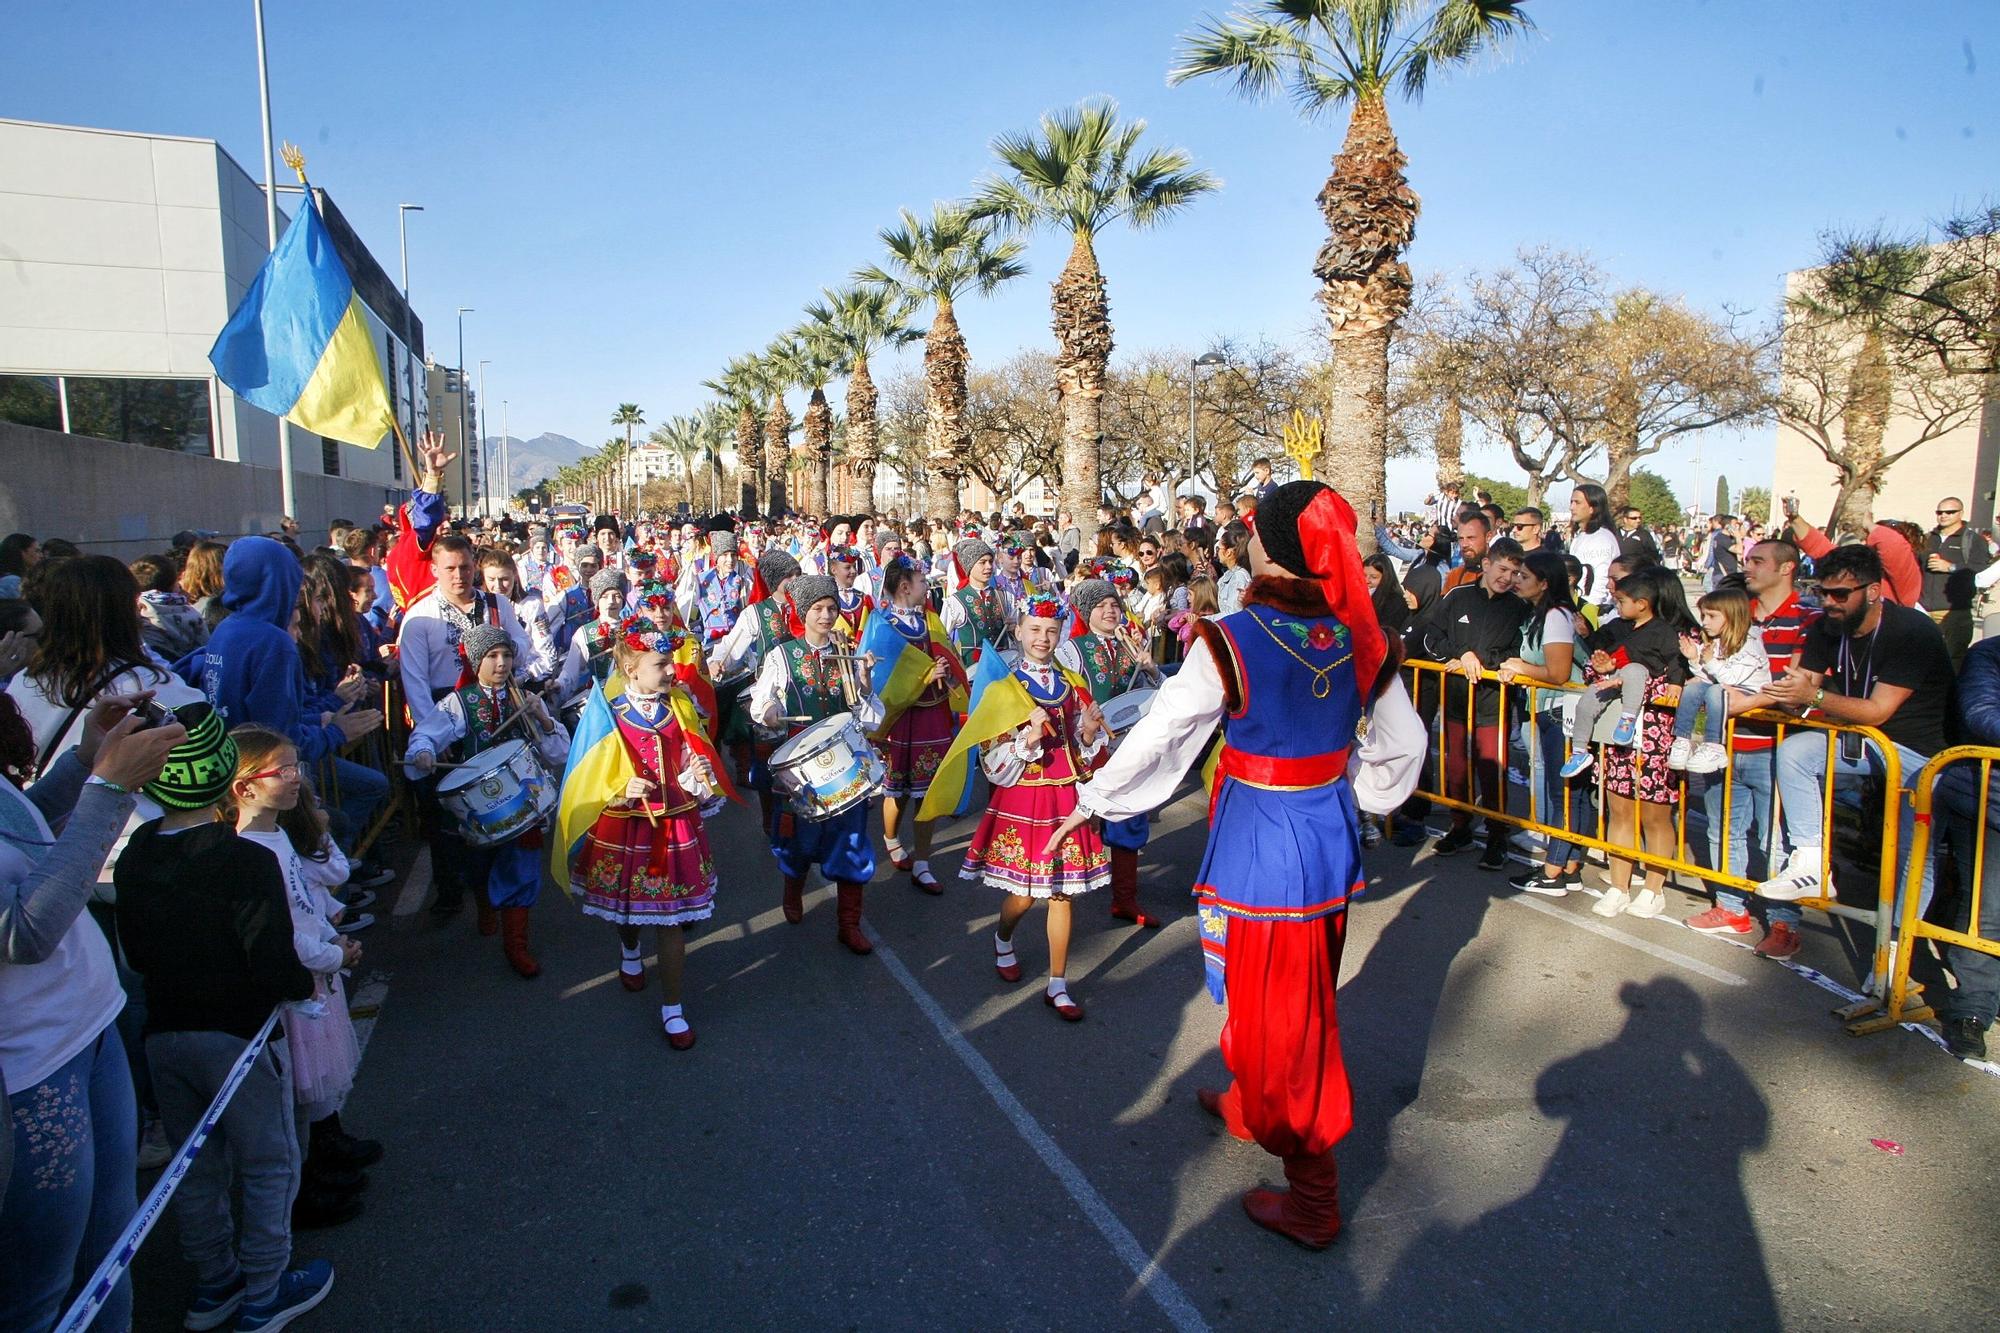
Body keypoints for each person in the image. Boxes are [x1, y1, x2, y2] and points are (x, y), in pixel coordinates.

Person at [1050, 480, 1423, 1248]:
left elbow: (1163, 731)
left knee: (1291, 1020)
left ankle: (1315, 1196)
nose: (1244, 538)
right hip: (1323, 837)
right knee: (1285, 992)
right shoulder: (1359, 634)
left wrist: (1092, 799)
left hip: (1263, 840)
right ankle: (1254, 1102)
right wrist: (1347, 789)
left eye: (1252, 529)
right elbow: (1406, 745)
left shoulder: (1232, 634)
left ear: (1273, 545)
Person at [115, 717, 340, 1332]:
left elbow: (133, 955)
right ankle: (267, 1290)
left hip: (164, 1035)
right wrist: (307, 984)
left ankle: (215, 1284)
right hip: (240, 1038)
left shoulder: (136, 856)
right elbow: (275, 963)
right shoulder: (242, 860)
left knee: (194, 1168)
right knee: (271, 1162)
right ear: (223, 779)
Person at [0, 697, 182, 1333]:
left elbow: (25, 833)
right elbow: (24, 930)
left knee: (111, 1252)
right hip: (30, 1076)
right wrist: (108, 788)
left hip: (90, 1030)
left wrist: (83, 762)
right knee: (40, 1295)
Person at [927, 595, 1110, 1019]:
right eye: (1035, 629)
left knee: (1063, 894)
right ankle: (1003, 937)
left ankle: (1058, 984)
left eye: (1051, 630)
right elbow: (991, 761)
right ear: (1018, 632)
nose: (1043, 638)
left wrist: (1085, 733)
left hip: (1067, 797)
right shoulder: (1003, 687)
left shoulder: (1070, 683)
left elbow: (1082, 750)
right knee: (1025, 896)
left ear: (1061, 633)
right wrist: (1025, 742)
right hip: (1024, 799)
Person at [1753, 545, 1957, 917]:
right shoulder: (1826, 628)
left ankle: (1895, 951)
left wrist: (1812, 695)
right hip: (1863, 740)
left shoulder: (1912, 631)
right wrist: (1778, 692)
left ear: (1874, 591)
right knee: (1795, 752)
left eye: (1840, 594)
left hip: (1922, 753)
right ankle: (1811, 861)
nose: (1829, 602)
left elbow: (1878, 711)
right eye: (1821, 591)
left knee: (1914, 855)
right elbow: (1801, 696)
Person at [566, 615, 727, 1048]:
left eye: (671, 662)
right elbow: (584, 775)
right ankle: (630, 951)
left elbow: (696, 757)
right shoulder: (605, 715)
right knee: (628, 910)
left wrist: (697, 771)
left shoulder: (680, 706)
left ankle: (673, 1008)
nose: (672, 671)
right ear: (632, 669)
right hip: (628, 829)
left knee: (671, 921)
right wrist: (619, 788)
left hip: (674, 823)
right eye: (661, 664)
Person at [406, 625, 570, 976]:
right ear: (476, 660)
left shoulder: (525, 698)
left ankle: (516, 946)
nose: (501, 663)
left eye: (507, 655)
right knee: (479, 867)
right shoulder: (460, 702)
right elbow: (426, 733)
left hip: (523, 803)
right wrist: (422, 752)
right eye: (493, 656)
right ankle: (484, 905)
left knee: (522, 872)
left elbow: (559, 754)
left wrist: (542, 718)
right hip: (479, 808)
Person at [1684, 538, 1818, 955]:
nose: (1749, 567)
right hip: (1726, 743)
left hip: (1776, 746)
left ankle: (1783, 923)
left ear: (1787, 568)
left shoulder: (1806, 619)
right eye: (1747, 560)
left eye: (1758, 561)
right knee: (1724, 829)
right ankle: (1731, 907)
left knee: (1775, 839)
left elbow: (1799, 685)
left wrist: (1748, 701)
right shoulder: (1736, 613)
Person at [748, 576, 883, 952]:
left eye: (832, 608)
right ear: (802, 613)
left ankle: (849, 924)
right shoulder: (782, 656)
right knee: (798, 843)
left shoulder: (850, 652)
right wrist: (771, 710)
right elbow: (762, 703)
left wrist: (867, 683)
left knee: (852, 840)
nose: (827, 616)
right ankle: (793, 890)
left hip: (846, 768)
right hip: (801, 771)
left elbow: (870, 717)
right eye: (818, 609)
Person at [1587, 566, 1696, 920]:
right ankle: (1619, 885)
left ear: (1645, 602)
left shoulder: (1670, 636)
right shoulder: (1616, 630)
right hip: (1617, 732)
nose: (1616, 605)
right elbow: (1596, 667)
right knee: (1619, 810)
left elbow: (1679, 683)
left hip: (1655, 735)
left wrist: (1635, 683)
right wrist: (1603, 669)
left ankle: (1653, 889)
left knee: (1655, 815)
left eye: (1622, 599)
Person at [1056, 577, 1165, 927]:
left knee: (1127, 818)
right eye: (1102, 606)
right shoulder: (1072, 650)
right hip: (1088, 745)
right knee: (1074, 817)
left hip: (1127, 745)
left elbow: (1155, 695)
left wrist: (1151, 669)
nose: (1110, 611)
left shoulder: (1132, 645)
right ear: (1087, 612)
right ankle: (1056, 885)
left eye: (1115, 605)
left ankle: (1124, 899)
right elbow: (1063, 698)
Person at [1417, 540, 1531, 870]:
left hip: (1493, 704)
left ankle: (1497, 836)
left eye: (1514, 572)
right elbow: (1432, 637)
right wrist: (1459, 654)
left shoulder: (1518, 607)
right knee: (1455, 769)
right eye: (1502, 569)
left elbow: (1517, 652)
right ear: (1486, 564)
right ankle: (1460, 828)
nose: (1507, 577)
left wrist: (1481, 661)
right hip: (1454, 702)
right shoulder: (1457, 597)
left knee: (1492, 772)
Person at [866, 559, 965, 895]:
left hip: (932, 714)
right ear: (905, 586)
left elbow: (948, 658)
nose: (928, 586)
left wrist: (944, 667)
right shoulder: (881, 624)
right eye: (922, 580)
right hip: (899, 718)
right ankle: (891, 839)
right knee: (898, 789)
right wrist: (923, 674)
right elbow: (878, 678)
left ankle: (923, 861)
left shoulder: (930, 621)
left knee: (928, 790)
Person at [1495, 550, 1589, 895]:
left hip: (1565, 712)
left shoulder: (1556, 616)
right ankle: (1571, 865)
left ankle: (1552, 872)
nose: (1516, 580)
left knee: (1563, 793)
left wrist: (1520, 667)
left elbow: (1559, 673)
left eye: (1524, 576)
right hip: (1554, 711)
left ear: (1544, 583)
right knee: (1571, 794)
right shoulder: (1543, 615)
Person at [1935, 636, 2000, 1059]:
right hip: (1989, 804)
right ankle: (1971, 1011)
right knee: (1988, 911)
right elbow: (1980, 715)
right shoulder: (1988, 654)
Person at [396, 534, 535, 730]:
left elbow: (523, 642)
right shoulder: (418, 616)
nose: (459, 576)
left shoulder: (497, 604)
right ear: (434, 570)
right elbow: (415, 680)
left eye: (465, 567)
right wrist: (430, 730)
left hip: (499, 709)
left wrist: (506, 647)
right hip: (448, 716)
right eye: (450, 569)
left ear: (475, 566)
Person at [1561, 570, 1686, 779]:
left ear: (1641, 604)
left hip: (1638, 681)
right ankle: (1580, 751)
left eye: (1621, 601)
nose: (1616, 606)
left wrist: (1675, 682)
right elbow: (1601, 643)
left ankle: (1627, 719)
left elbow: (1675, 657)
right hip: (1611, 679)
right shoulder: (1618, 625)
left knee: (1634, 670)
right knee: (1585, 704)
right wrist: (1588, 635)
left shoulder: (1662, 631)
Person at [1668, 587, 1770, 775]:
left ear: (1732, 616)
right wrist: (1694, 659)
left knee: (1716, 691)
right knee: (1692, 689)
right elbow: (1708, 677)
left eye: (1711, 616)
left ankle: (1714, 745)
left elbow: (1729, 679)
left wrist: (1710, 661)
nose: (1704, 622)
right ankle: (1682, 739)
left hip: (1747, 690)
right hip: (1724, 688)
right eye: (1703, 616)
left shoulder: (1750, 644)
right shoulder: (1717, 642)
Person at [1923, 495, 1992, 667]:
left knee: (1952, 660)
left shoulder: (1973, 540)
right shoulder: (1927, 538)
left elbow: (1981, 569)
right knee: (1922, 659)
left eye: (1950, 512)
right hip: (1923, 608)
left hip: (1953, 610)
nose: (1943, 515)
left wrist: (1951, 567)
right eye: (1939, 512)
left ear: (1960, 513)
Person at [940, 538, 1014, 668]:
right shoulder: (954, 601)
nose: (989, 567)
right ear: (970, 566)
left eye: (991, 562)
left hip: (1004, 667)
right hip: (973, 670)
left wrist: (1013, 628)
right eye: (982, 562)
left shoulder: (1004, 596)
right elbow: (942, 637)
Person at [1566, 484, 1621, 611]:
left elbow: (1601, 580)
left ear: (1593, 508)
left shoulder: (1602, 538)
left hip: (1594, 611)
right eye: (1571, 502)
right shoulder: (1580, 536)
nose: (1571, 507)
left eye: (1577, 502)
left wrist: (1590, 611)